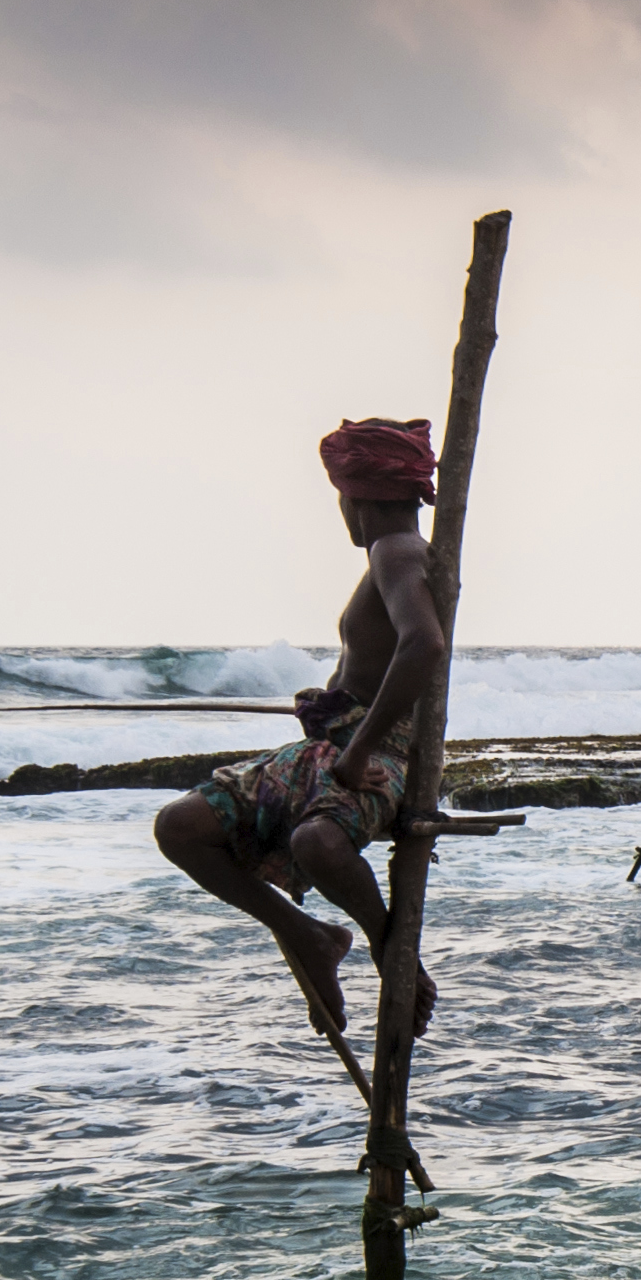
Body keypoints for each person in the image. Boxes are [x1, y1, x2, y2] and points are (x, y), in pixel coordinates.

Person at [152, 419, 450, 1039]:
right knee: (180, 826)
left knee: (317, 843)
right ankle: (308, 933)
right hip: (330, 747)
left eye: (342, 494)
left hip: (376, 752)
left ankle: (385, 948)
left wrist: (356, 749)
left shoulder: (395, 550)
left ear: (360, 495)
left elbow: (424, 647)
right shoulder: (391, 556)